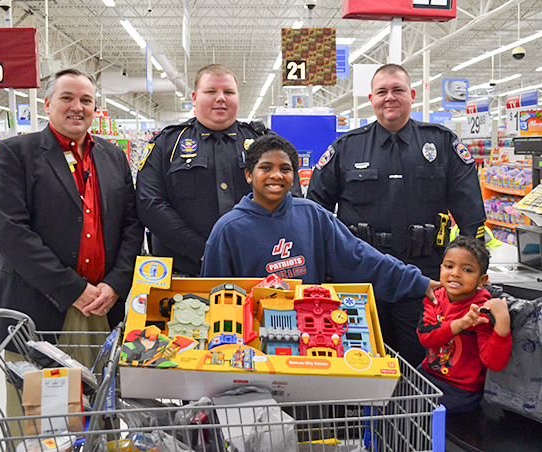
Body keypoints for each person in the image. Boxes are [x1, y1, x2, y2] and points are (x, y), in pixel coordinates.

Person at [306, 63, 486, 366]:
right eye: (382, 92)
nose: (390, 97)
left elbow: (471, 215)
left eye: (398, 90)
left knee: (420, 363)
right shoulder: (347, 148)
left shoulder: (441, 143)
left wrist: (476, 273)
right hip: (361, 276)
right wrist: (323, 269)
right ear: (371, 98)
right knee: (359, 358)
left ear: (412, 95)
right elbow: (315, 211)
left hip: (423, 277)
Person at [0, 68, 144, 349]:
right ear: (47, 104)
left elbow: (131, 225)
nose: (77, 107)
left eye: (86, 100)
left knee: (102, 390)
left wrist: (117, 284)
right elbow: (11, 233)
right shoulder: (15, 154)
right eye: (67, 97)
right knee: (38, 392)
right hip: (38, 311)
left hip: (103, 307)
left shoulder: (114, 156)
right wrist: (72, 289)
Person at [201, 135, 439, 306]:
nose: (276, 175)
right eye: (266, 167)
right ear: (249, 174)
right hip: (250, 338)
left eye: (285, 168)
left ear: (293, 176)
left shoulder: (313, 216)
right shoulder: (227, 230)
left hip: (311, 329)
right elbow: (214, 295)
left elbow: (360, 257)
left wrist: (418, 282)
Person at [136, 63, 300, 276]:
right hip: (185, 270)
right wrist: (204, 251)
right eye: (211, 91)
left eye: (228, 92)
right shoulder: (168, 143)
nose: (220, 98)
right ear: (195, 97)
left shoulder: (265, 142)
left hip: (256, 269)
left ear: (238, 97)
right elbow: (149, 203)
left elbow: (291, 199)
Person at [417, 236, 511, 413]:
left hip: (461, 389)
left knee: (422, 418)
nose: (455, 273)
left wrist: (502, 324)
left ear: (482, 280)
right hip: (428, 375)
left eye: (467, 270)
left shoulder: (482, 311)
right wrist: (459, 324)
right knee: (395, 402)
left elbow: (494, 362)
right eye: (449, 266)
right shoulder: (434, 298)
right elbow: (425, 337)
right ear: (441, 268)